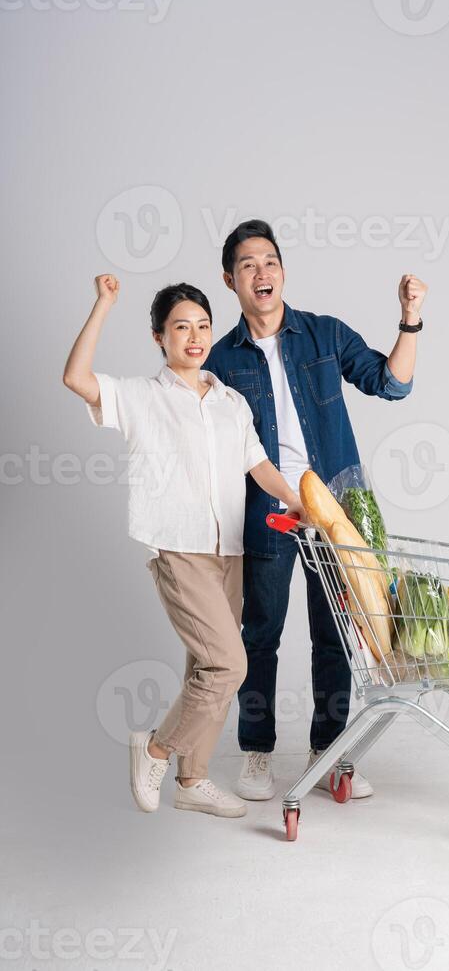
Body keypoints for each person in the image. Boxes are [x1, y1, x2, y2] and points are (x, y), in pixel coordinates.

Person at [63, 275, 306, 819]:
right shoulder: (142, 397)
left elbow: (258, 464)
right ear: (159, 337)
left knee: (204, 665)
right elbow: (76, 378)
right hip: (178, 547)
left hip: (231, 549)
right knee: (228, 665)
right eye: (181, 327)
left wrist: (297, 502)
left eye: (202, 325)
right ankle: (154, 748)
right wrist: (102, 303)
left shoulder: (229, 401)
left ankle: (191, 781)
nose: (194, 337)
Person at [203, 219, 427, 801]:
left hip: (335, 513)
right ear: (231, 280)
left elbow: (392, 384)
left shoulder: (323, 335)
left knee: (335, 636)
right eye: (249, 264)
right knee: (261, 635)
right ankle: (255, 753)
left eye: (271, 261)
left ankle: (328, 751)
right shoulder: (221, 359)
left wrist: (410, 317)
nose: (263, 272)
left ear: (282, 272)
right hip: (267, 514)